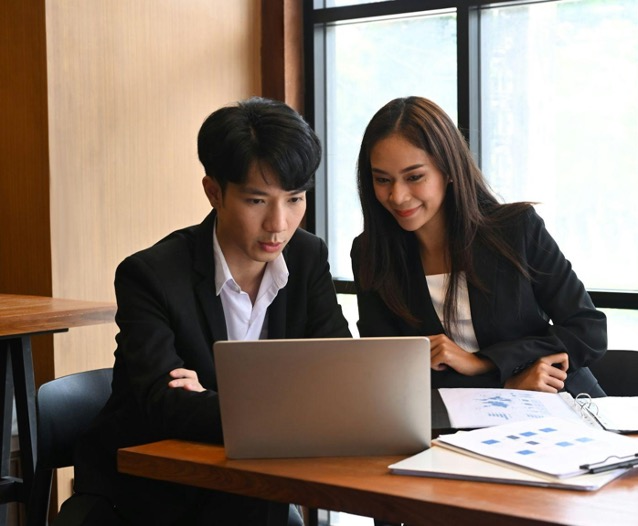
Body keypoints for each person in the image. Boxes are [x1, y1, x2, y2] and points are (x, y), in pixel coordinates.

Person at [71, 97, 351, 525]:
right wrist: (287, 406)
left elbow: (338, 373)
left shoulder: (307, 256)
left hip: (257, 492)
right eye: (258, 201)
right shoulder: (150, 274)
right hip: (152, 500)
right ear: (214, 192)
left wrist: (214, 399)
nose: (279, 223)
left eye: (294, 199)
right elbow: (162, 405)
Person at [351, 96, 606, 397]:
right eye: (383, 180)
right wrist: (504, 386)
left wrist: (484, 362)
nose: (398, 196)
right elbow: (388, 372)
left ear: (447, 170)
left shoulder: (516, 229)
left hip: (559, 406)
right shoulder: (372, 254)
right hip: (451, 426)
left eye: (414, 177)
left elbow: (587, 331)